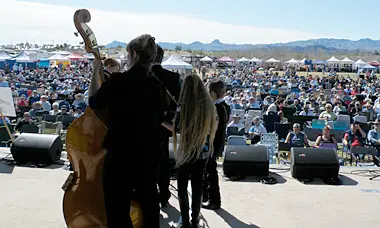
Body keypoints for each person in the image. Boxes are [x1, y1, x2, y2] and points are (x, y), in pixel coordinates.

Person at [89, 34, 167, 228]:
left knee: (117, 212)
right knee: (149, 208)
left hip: (120, 155)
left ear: (133, 54)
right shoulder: (157, 86)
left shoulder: (118, 81)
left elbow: (95, 102)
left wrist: (94, 74)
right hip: (148, 156)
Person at [163, 74, 217, 228]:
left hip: (186, 151)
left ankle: (185, 221)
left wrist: (161, 121)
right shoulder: (209, 105)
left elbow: (177, 129)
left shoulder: (183, 106)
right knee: (197, 186)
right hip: (203, 152)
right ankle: (195, 221)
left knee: (182, 187)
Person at [151, 45, 181, 207]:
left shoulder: (143, 76)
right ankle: (164, 195)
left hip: (144, 126)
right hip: (165, 126)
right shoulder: (173, 78)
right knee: (162, 162)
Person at [202, 79, 230, 210]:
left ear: (212, 93)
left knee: (211, 171)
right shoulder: (224, 106)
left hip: (213, 143)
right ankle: (207, 196)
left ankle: (214, 200)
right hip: (217, 143)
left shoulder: (217, 108)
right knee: (209, 171)